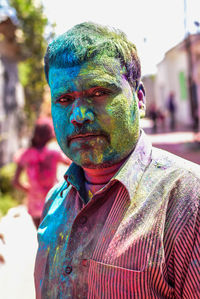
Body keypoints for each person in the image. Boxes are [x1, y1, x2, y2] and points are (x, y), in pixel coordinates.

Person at [34, 22, 200, 298]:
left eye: (99, 93)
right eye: (64, 99)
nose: (78, 116)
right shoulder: (55, 201)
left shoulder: (188, 202)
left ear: (139, 98)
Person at [13, 117, 71, 229]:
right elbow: (73, 164)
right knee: (56, 237)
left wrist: (31, 190)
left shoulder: (25, 155)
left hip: (34, 205)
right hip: (54, 202)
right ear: (50, 134)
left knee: (42, 239)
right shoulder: (54, 152)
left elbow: (16, 182)